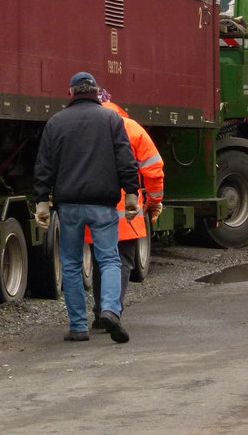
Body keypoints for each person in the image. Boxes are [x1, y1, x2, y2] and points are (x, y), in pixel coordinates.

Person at [34, 72, 139, 344]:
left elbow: (44, 166)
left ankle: (79, 327)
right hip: (103, 205)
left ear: (71, 93)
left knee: (70, 264)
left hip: (68, 206)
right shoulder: (112, 119)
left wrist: (42, 201)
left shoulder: (56, 122)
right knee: (110, 260)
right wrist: (131, 194)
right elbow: (126, 160)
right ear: (96, 92)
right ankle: (110, 311)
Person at [89, 92, 165, 331]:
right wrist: (154, 201)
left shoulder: (87, 129)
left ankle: (99, 311)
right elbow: (153, 169)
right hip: (127, 212)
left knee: (101, 261)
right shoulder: (132, 128)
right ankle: (112, 311)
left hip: (94, 206)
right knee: (121, 261)